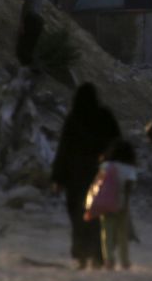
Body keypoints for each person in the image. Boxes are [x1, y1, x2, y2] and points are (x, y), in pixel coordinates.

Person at [51, 83, 122, 269]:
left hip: (75, 176)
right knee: (97, 217)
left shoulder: (73, 119)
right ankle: (98, 256)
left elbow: (63, 150)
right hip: (100, 175)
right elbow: (117, 142)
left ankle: (82, 256)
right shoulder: (104, 116)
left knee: (78, 216)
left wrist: (58, 179)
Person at [92, 138, 138, 270]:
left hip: (106, 204)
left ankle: (109, 260)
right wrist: (126, 203)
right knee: (122, 234)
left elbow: (97, 185)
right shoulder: (130, 168)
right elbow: (129, 187)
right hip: (122, 203)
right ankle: (125, 261)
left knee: (107, 233)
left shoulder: (105, 166)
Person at [11, 0, 47, 70]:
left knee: (21, 50)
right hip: (38, 20)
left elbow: (25, 3)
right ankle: (34, 71)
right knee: (30, 49)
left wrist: (22, 22)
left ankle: (26, 72)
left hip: (30, 20)